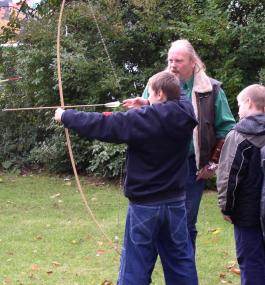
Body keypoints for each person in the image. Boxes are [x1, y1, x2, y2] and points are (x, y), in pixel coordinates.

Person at [55, 71, 199, 285]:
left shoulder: (142, 119)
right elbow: (175, 99)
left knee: (136, 262)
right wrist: (149, 101)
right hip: (176, 201)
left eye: (151, 92)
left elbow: (104, 125)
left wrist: (66, 116)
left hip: (145, 204)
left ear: (160, 93)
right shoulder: (186, 111)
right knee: (180, 259)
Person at [123, 39, 236, 250]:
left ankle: (184, 273)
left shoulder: (211, 89)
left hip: (191, 168)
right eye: (170, 59)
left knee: (185, 224)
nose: (173, 64)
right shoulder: (156, 84)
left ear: (193, 62)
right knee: (153, 222)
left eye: (179, 60)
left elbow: (227, 129)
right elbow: (149, 120)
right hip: (158, 168)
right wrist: (145, 105)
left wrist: (212, 163)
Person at [217, 84, 265, 285]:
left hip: (248, 214)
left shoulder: (239, 135)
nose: (237, 110)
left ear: (249, 102)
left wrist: (226, 207)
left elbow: (229, 176)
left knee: (251, 263)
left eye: (239, 104)